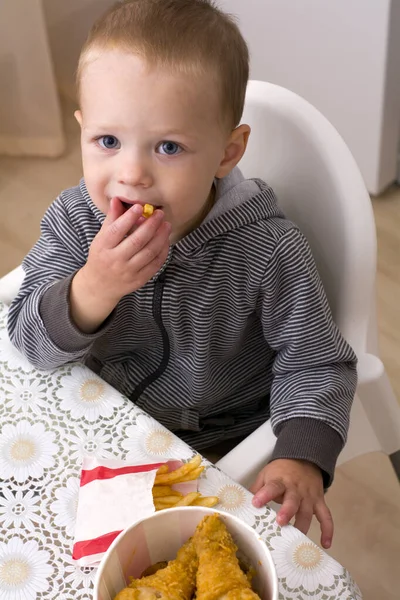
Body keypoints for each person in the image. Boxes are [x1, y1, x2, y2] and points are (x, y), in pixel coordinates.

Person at [8, 0, 357, 548]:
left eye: (168, 147)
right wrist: (92, 290)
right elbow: (29, 339)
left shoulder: (268, 249)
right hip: (111, 418)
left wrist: (299, 454)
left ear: (227, 151)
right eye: (107, 141)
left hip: (223, 437)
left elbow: (316, 362)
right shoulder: (76, 220)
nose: (130, 173)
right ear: (82, 130)